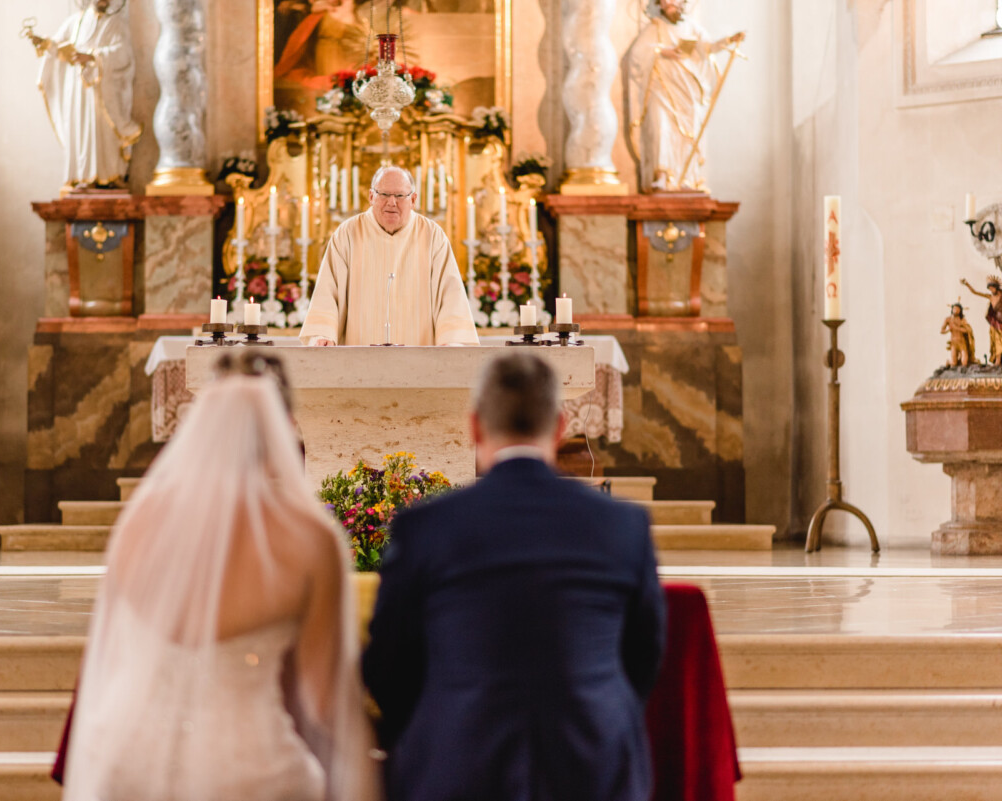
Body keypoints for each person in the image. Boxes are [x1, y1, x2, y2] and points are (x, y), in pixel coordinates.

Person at [61, 350, 381, 801]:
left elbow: (113, 658)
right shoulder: (308, 540)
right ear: (284, 425)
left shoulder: (139, 524)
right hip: (248, 769)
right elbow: (326, 701)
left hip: (127, 759)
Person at [363, 352, 666, 801]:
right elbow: (644, 654)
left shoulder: (426, 527)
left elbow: (389, 664)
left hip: (458, 763)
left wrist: (437, 723)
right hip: (592, 764)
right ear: (561, 427)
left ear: (474, 427)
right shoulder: (621, 527)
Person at [299, 165, 479, 346]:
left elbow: (450, 295)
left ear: (413, 199)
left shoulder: (432, 235)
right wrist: (323, 334)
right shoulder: (348, 233)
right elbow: (328, 292)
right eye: (384, 194)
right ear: (371, 196)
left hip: (420, 361)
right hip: (358, 359)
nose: (392, 202)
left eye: (400, 196)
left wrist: (452, 341)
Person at [621, 0, 744, 193]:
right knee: (660, 128)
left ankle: (685, 178)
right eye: (665, 1)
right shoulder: (656, 28)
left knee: (687, 134)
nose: (669, 3)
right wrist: (661, 51)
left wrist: (729, 40)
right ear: (659, 4)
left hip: (687, 92)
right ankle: (661, 176)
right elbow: (637, 54)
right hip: (661, 90)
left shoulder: (692, 28)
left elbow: (708, 47)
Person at [25, 0, 142, 191]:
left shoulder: (116, 24)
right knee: (80, 128)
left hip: (104, 89)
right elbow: (60, 47)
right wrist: (43, 42)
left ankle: (111, 175)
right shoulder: (75, 22)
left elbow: (124, 54)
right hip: (79, 88)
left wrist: (93, 56)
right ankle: (82, 177)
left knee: (102, 128)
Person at [961, 278, 1002, 365]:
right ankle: (998, 361)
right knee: (997, 341)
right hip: (996, 323)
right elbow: (975, 292)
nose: (991, 290)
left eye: (992, 288)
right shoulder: (990, 297)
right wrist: (967, 284)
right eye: (989, 288)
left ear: (996, 287)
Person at [942, 302, 977, 367]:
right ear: (952, 309)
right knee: (954, 363)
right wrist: (948, 330)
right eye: (954, 309)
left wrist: (956, 328)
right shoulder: (948, 319)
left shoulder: (962, 320)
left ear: (960, 311)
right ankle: (949, 362)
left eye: (958, 309)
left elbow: (967, 330)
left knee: (964, 362)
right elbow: (942, 331)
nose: (956, 310)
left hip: (962, 342)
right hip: (953, 342)